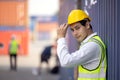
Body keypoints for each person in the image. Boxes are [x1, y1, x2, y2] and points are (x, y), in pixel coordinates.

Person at [57, 9, 107, 80]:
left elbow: (65, 61)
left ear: (87, 25)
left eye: (77, 28)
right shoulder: (88, 43)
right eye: (72, 30)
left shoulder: (92, 45)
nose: (75, 33)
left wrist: (61, 38)